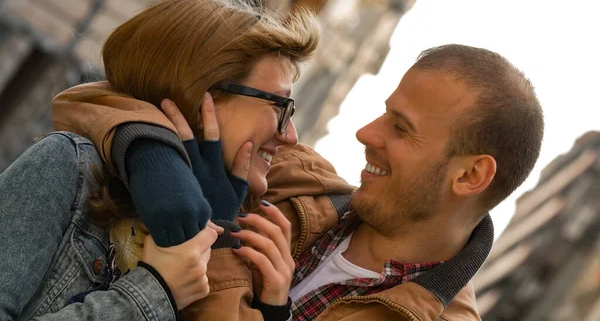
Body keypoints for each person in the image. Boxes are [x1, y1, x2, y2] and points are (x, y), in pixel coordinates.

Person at [50, 42, 545, 320]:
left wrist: (220, 235)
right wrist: (156, 158)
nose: (364, 133)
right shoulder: (292, 176)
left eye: (401, 128)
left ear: (471, 174)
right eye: (383, 113)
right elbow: (91, 97)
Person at [0, 0, 320, 320]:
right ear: (202, 95)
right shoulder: (68, 166)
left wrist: (269, 312)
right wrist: (153, 292)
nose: (290, 136)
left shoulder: (246, 238)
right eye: (281, 106)